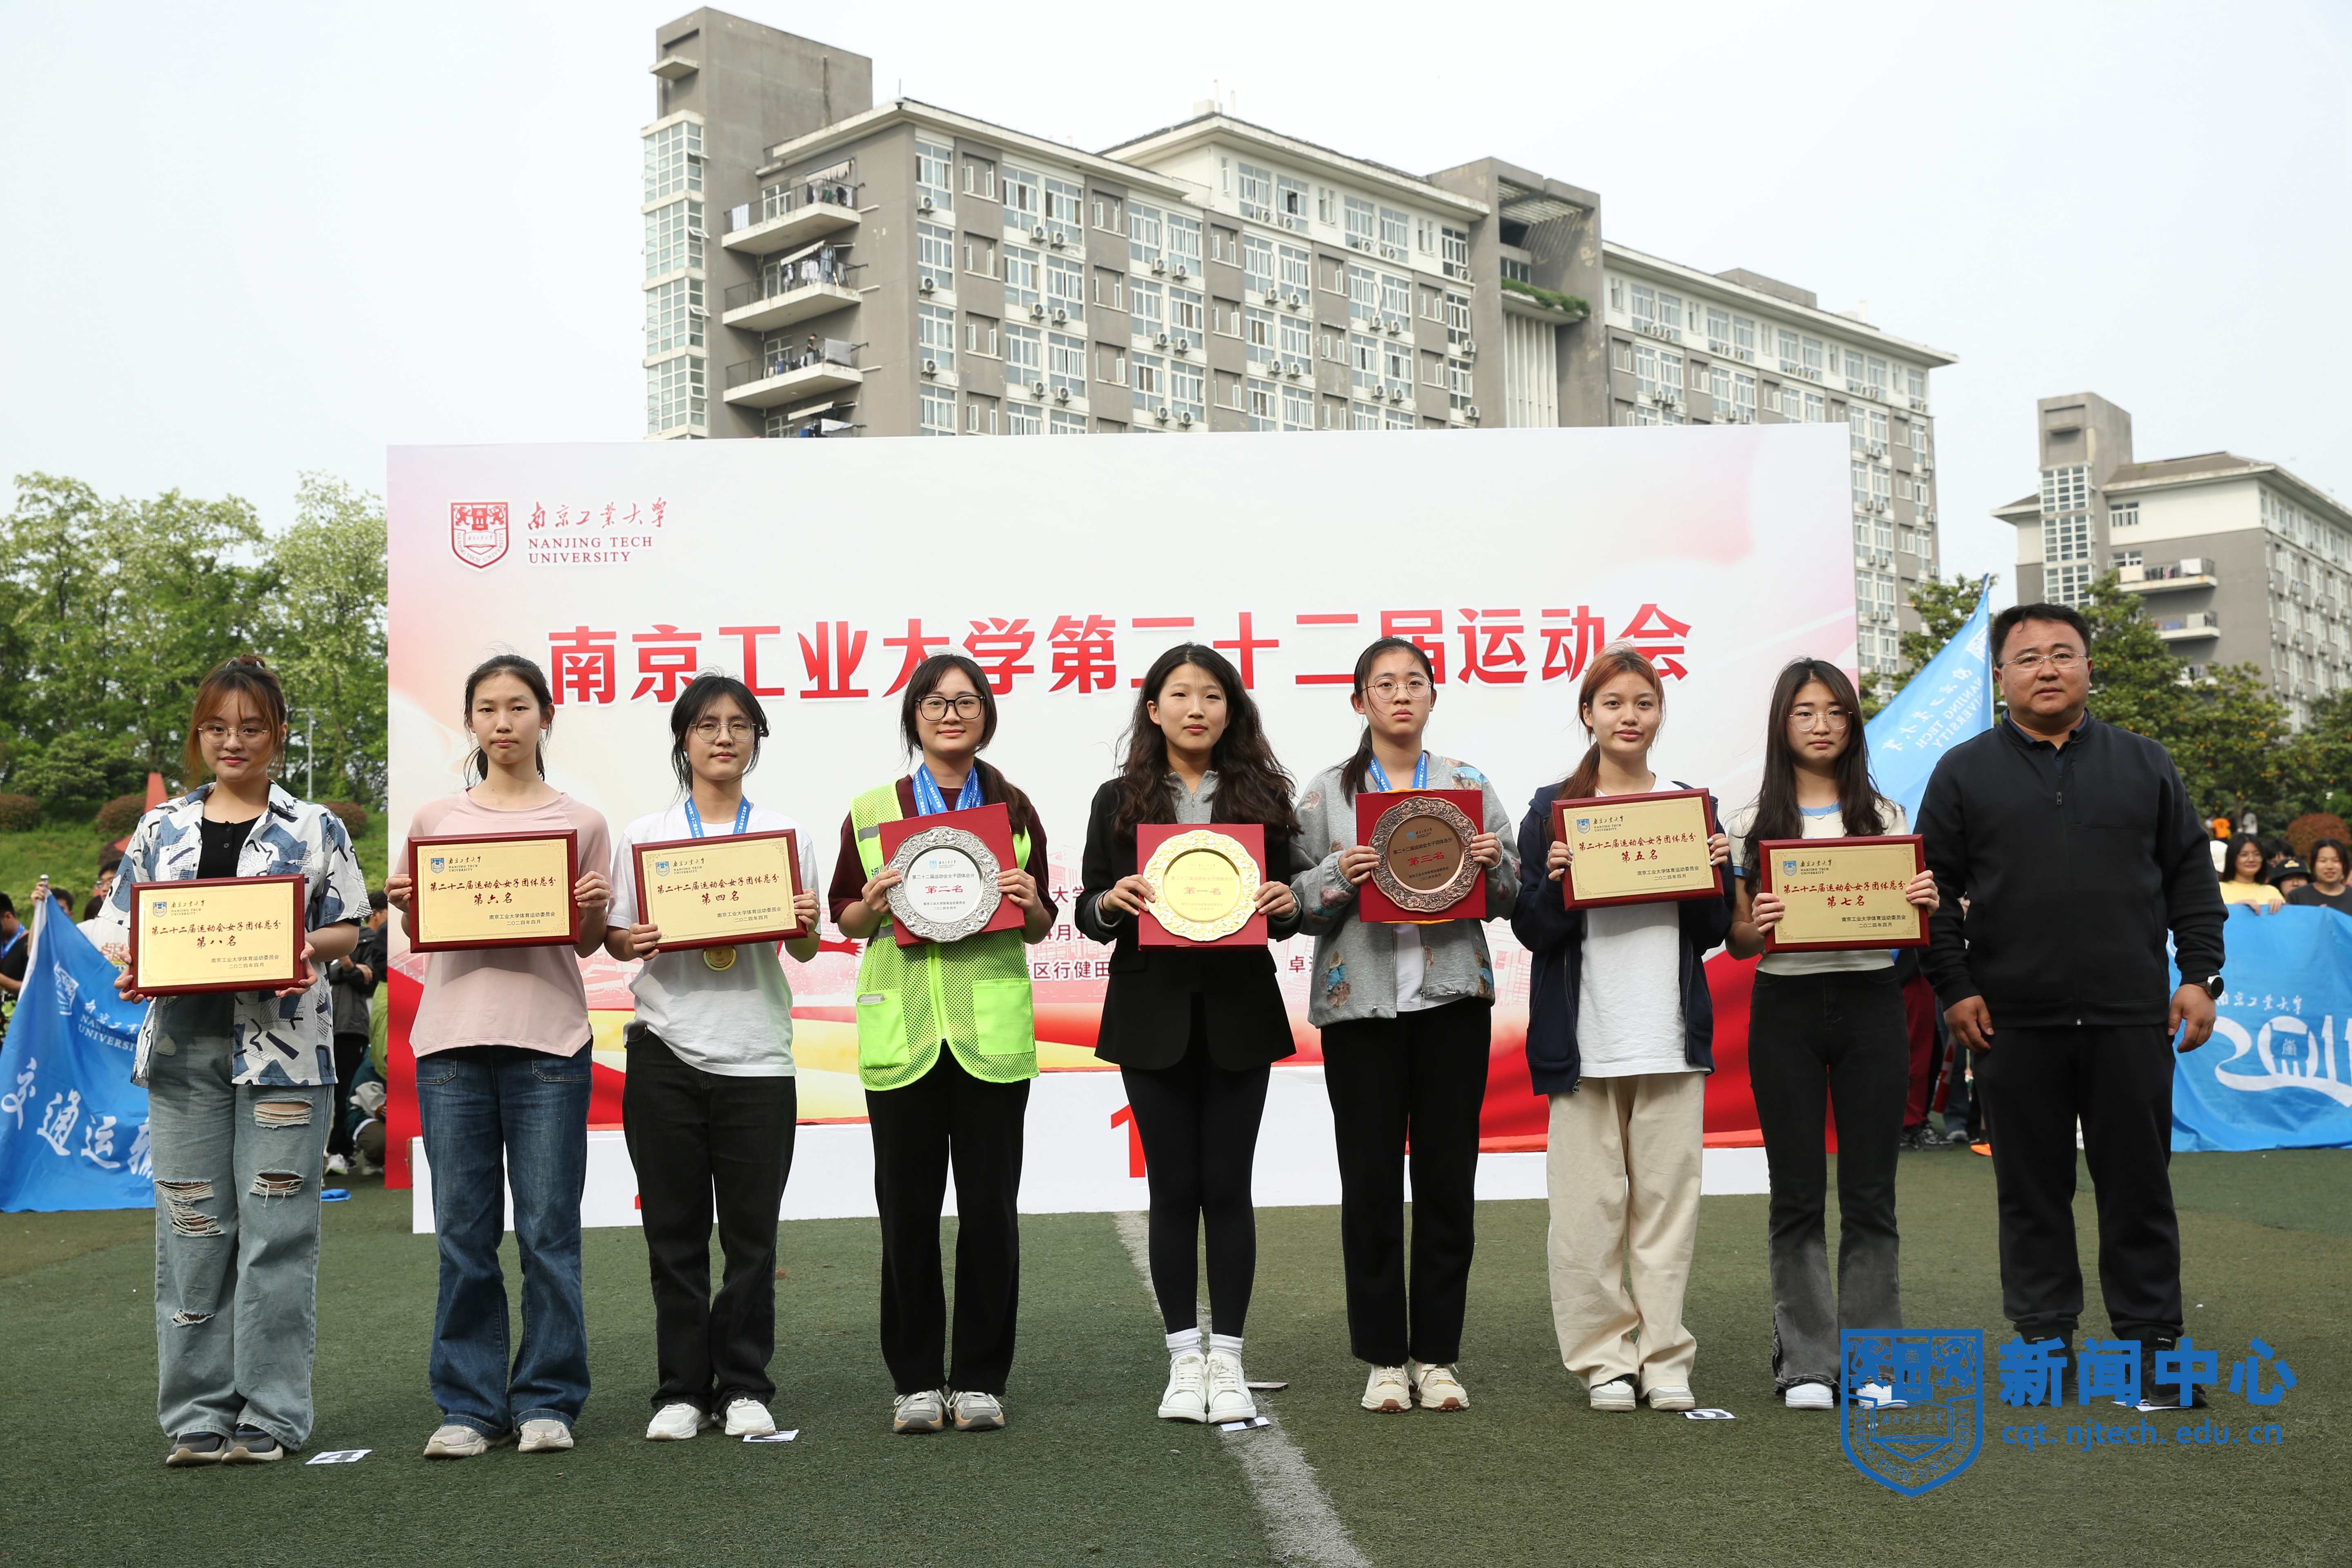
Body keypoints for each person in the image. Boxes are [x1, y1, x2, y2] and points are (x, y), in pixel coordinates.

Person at [1918, 602, 2223, 1404]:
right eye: (2027, 658)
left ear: (2090, 668)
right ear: (2000, 677)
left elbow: (2192, 877)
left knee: (2140, 1190)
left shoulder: (2145, 763)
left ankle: (2154, 1354)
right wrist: (1955, 986)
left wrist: (2199, 976)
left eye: (2063, 653)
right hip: (2011, 1023)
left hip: (2131, 1016)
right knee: (2031, 1195)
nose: (2047, 669)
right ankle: (2045, 1352)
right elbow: (1930, 892)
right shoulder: (1962, 772)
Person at [105, 655, 370, 1466]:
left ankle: (272, 1414)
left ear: (278, 735)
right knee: (192, 1227)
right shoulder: (160, 827)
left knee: (277, 1233)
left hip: (286, 1054)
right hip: (183, 1050)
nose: (234, 741)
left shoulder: (315, 825)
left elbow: (349, 926)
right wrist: (133, 966)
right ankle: (196, 1413)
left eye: (252, 727)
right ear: (199, 734)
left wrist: (302, 947)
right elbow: (124, 926)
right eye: (217, 727)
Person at [386, 655, 612, 1459]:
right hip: (451, 1045)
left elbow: (585, 944)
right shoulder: (434, 820)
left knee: (550, 1235)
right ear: (470, 722)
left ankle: (548, 1399)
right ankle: (471, 1406)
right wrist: (408, 904)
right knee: (463, 1237)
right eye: (487, 708)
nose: (503, 722)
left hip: (549, 1043)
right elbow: (422, 932)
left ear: (546, 717)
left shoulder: (583, 822)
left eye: (519, 706)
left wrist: (593, 910)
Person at [1287, 636, 1520, 1416]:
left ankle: (1439, 1357)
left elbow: (1513, 896)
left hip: (1453, 1005)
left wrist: (1492, 864)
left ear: (1432, 696)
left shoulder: (1466, 784)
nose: (1400, 695)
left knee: (1450, 1183)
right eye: (1383, 684)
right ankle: (1385, 1359)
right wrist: (1337, 873)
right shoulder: (1327, 793)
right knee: (1371, 1186)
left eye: (1414, 682)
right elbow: (1291, 905)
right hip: (1361, 1011)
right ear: (1359, 701)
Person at [828, 653, 1053, 1436]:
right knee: (907, 1215)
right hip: (906, 1035)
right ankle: (917, 1381)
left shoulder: (1012, 808)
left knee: (990, 1213)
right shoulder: (871, 810)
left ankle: (982, 1378)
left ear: (986, 714)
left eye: (966, 702)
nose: (951, 714)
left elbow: (1040, 924)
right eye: (935, 702)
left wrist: (1030, 902)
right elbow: (846, 918)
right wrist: (872, 902)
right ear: (914, 716)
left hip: (990, 1037)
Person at [1077, 646, 1303, 1425]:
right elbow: (1088, 910)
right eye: (1180, 695)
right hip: (1151, 1014)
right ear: (1153, 709)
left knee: (1229, 1187)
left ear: (1231, 710)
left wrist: (1287, 903)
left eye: (1212, 695)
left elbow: (1291, 902)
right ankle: (1183, 1360)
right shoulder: (1119, 798)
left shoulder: (1264, 795)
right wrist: (1111, 902)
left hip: (1241, 1010)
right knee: (1172, 1189)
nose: (1196, 708)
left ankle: (1229, 1360)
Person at [1511, 645, 1733, 1414]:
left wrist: (1715, 870)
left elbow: (1710, 930)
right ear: (1588, 714)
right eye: (1612, 703)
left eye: (1643, 702)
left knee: (1668, 1209)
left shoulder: (1689, 806)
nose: (1628, 716)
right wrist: (1558, 882)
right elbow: (1533, 929)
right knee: (1586, 1214)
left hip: (1668, 1036)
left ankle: (1665, 1358)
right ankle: (1604, 1360)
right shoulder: (1551, 810)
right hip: (1584, 1040)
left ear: (1660, 713)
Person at [605, 675, 822, 1443]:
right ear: (684, 740)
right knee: (674, 1232)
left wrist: (804, 922)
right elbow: (617, 937)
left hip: (757, 1055)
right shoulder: (647, 834)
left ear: (757, 738)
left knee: (752, 1239)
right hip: (665, 1049)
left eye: (739, 724)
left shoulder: (786, 834)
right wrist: (628, 940)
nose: (723, 737)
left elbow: (805, 947)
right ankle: (681, 1390)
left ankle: (745, 1385)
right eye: (706, 725)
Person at [1722, 659, 1939, 1410]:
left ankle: (1877, 1364)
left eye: (1836, 712)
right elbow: (1739, 941)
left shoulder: (1885, 816)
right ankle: (1808, 1364)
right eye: (1805, 712)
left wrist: (1922, 901)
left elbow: (1907, 931)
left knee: (1872, 1193)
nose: (1822, 725)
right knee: (1797, 1194)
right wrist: (1757, 924)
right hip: (1785, 1007)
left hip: (1873, 1003)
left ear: (1853, 723)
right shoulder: (1749, 824)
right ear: (1782, 724)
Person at [323, 891, 388, 1176]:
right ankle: (340, 1150)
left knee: (345, 1091)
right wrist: (348, 967)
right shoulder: (331, 937)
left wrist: (347, 965)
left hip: (352, 1025)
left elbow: (368, 979)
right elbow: (327, 971)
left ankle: (342, 1151)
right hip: (328, 1023)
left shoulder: (373, 941)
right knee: (330, 1092)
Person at [2216, 834, 2283, 911]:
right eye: (2244, 855)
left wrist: (2282, 907)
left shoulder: (2272, 892)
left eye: (2257, 854)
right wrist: (2236, 909)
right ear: (2232, 858)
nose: (2251, 860)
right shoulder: (2218, 891)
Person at [2287, 839, 2352, 915]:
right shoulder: (2297, 896)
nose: (2329, 867)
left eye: (2336, 861)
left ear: (2345, 865)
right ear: (2314, 865)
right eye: (2323, 861)